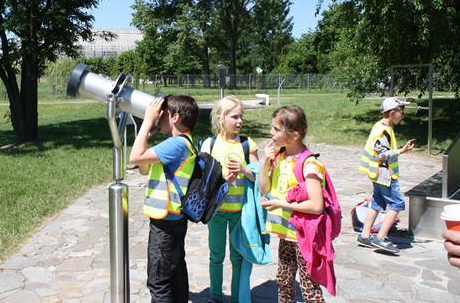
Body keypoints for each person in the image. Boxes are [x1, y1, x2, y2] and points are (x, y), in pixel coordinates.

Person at [129, 95, 200, 303]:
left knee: (158, 281)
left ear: (175, 117)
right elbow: (143, 168)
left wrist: (147, 122)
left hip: (164, 224)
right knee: (176, 274)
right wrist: (147, 135)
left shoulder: (175, 145)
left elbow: (134, 158)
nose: (159, 118)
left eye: (163, 115)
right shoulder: (182, 143)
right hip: (174, 219)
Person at [259, 105, 327, 303]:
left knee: (309, 287)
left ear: (294, 135)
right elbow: (264, 189)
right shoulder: (279, 157)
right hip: (287, 234)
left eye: (276, 129)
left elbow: (316, 206)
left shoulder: (309, 164)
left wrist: (281, 204)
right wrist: (265, 162)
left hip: (305, 236)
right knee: (284, 281)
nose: (271, 132)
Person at [199, 96, 259, 303]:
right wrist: (223, 179)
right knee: (216, 256)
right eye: (234, 117)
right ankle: (215, 296)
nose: (240, 121)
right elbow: (203, 179)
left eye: (241, 116)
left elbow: (258, 177)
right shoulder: (209, 145)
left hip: (240, 212)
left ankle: (236, 298)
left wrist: (244, 170)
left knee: (237, 258)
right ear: (220, 118)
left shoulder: (247, 144)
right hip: (216, 212)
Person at [357, 97, 415, 254]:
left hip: (378, 174)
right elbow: (381, 155)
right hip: (385, 175)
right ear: (392, 112)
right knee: (397, 203)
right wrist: (402, 150)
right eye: (401, 111)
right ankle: (381, 237)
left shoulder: (381, 126)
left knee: (377, 203)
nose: (403, 114)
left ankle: (364, 235)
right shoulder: (382, 131)